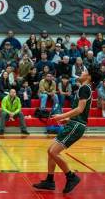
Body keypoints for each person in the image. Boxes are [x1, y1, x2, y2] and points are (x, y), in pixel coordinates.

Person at [33, 66, 100, 194]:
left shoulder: (85, 88)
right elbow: (82, 112)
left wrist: (61, 116)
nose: (82, 73)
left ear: (89, 76)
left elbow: (80, 110)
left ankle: (71, 176)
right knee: (50, 151)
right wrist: (67, 120)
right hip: (74, 123)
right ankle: (49, 180)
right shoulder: (84, 88)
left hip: (76, 125)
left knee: (53, 152)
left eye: (85, 72)